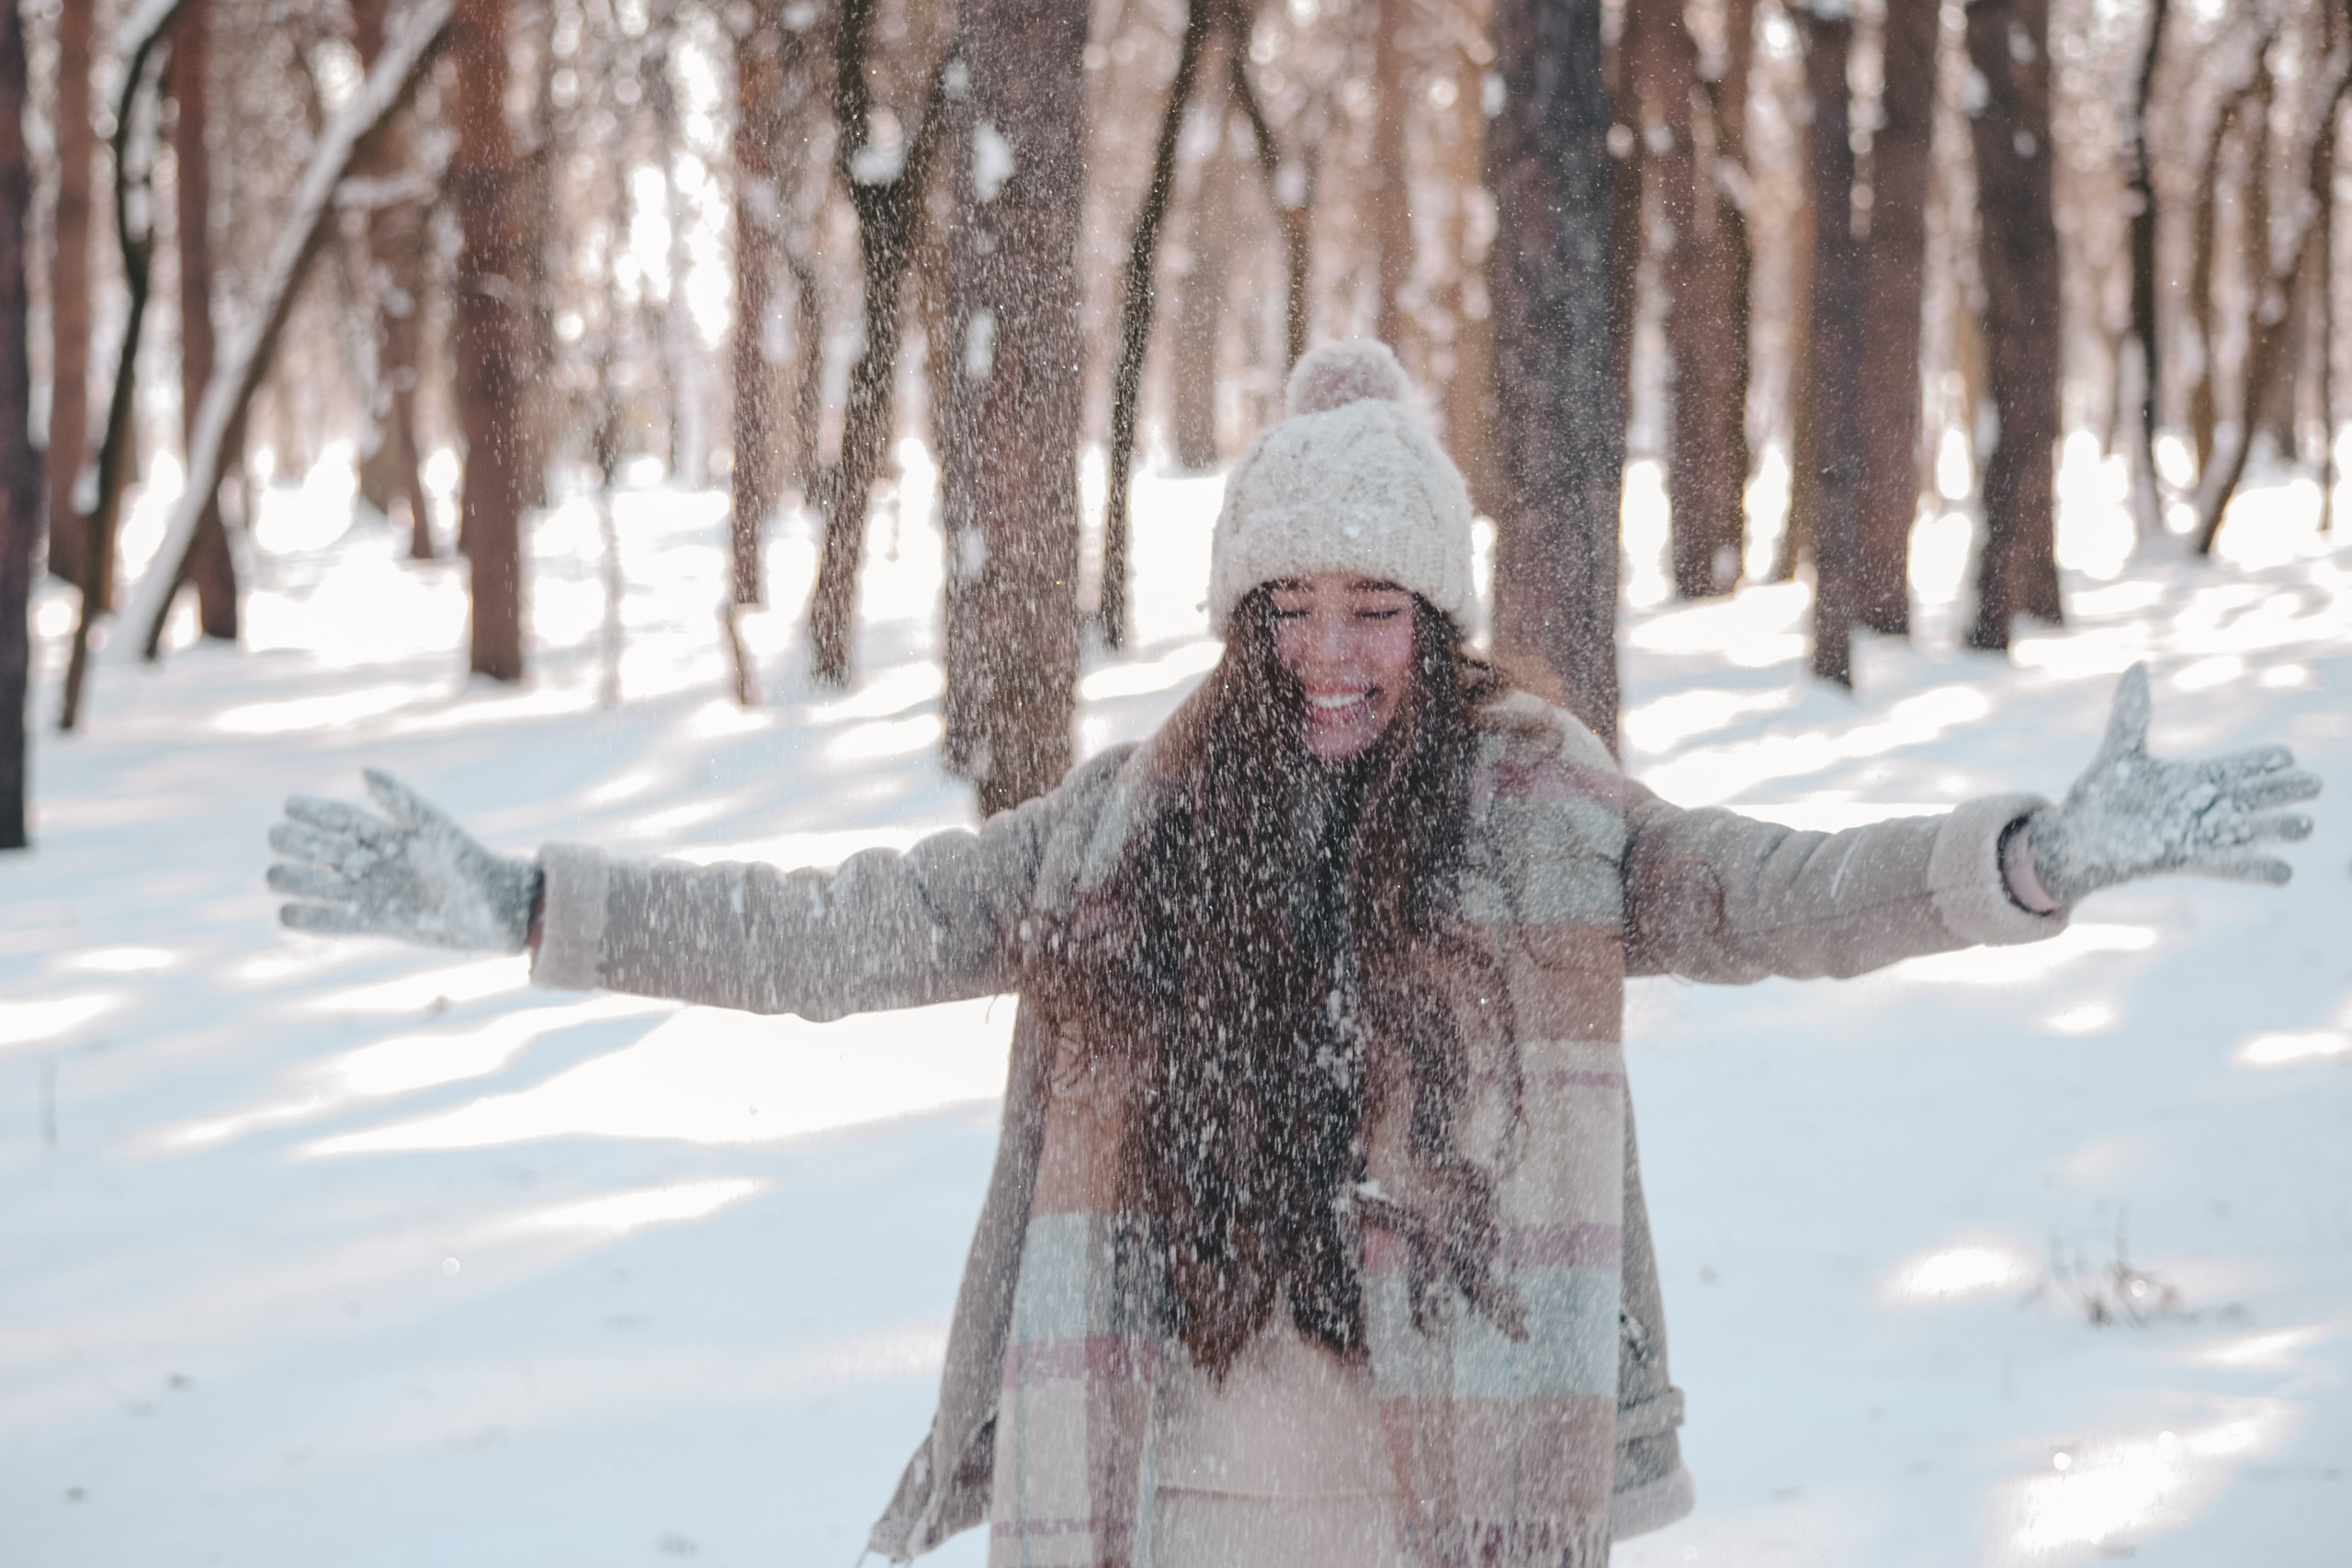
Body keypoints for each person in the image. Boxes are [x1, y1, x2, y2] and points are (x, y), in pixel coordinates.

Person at [267, 342, 2320, 1568]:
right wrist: (540, 905)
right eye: (1292, 605)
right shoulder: (1124, 826)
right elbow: (841, 928)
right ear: (1240, 619)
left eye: (1377, 607)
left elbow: (1779, 890)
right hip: (1160, 1487)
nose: (1333, 652)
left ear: (1437, 618)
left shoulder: (1542, 810)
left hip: (1454, 1490)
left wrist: (2030, 856)